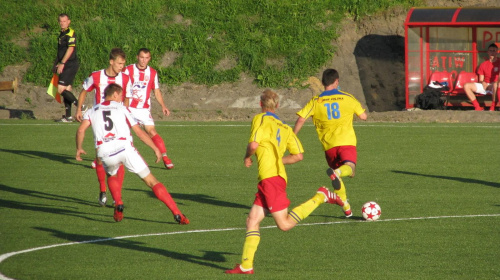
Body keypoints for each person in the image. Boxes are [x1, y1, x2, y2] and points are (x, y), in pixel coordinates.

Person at [225, 89, 342, 274]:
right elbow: (298, 156)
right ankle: (246, 265)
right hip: (273, 178)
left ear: (260, 104)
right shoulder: (285, 127)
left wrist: (247, 156)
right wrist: (279, 160)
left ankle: (321, 196)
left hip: (270, 179)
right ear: (278, 105)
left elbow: (253, 145)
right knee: (252, 220)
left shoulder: (260, 119)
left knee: (285, 224)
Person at [75, 83, 189, 224]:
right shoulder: (122, 108)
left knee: (111, 174)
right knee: (152, 181)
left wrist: (79, 148)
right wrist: (155, 148)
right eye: (121, 96)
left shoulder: (92, 110)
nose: (122, 99)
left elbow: (81, 130)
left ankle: (118, 202)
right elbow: (139, 132)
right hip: (125, 148)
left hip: (105, 151)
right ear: (115, 94)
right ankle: (177, 213)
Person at [293, 69, 367, 218]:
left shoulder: (316, 101)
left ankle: (346, 207)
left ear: (322, 83)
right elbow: (363, 116)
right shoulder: (347, 97)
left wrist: (292, 137)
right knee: (350, 169)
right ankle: (338, 172)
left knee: (338, 177)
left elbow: (301, 119)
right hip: (346, 142)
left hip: (329, 147)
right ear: (337, 81)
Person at [75, 48, 131, 206]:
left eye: (123, 64)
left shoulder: (125, 78)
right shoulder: (96, 76)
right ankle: (103, 190)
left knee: (120, 159)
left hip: (118, 123)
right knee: (100, 159)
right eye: (119, 63)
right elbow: (84, 91)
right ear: (111, 61)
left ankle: (117, 197)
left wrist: (126, 117)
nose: (122, 66)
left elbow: (126, 99)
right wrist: (79, 109)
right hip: (100, 121)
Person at [123, 48, 174, 169]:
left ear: (149, 58)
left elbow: (156, 91)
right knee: (121, 134)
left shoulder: (152, 73)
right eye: (141, 57)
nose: (144, 60)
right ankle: (101, 159)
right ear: (137, 57)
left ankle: (165, 157)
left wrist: (163, 106)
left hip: (143, 109)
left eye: (146, 58)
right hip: (128, 107)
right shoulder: (127, 70)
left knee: (152, 132)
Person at [53, 13, 84, 122]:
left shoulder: (70, 33)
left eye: (64, 21)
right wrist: (57, 62)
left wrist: (62, 63)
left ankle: (81, 106)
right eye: (60, 21)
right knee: (66, 89)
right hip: (64, 63)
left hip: (70, 64)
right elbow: (60, 51)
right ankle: (68, 116)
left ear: (69, 21)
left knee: (61, 89)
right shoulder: (61, 34)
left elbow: (70, 49)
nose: (62, 23)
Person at [464, 43, 500, 111]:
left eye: (494, 51)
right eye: (491, 51)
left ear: (497, 52)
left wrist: (494, 83)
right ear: (488, 52)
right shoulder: (483, 64)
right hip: (486, 85)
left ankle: (492, 107)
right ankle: (477, 107)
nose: (492, 52)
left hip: (496, 85)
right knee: (466, 86)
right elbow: (481, 79)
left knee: (496, 85)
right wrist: (483, 83)